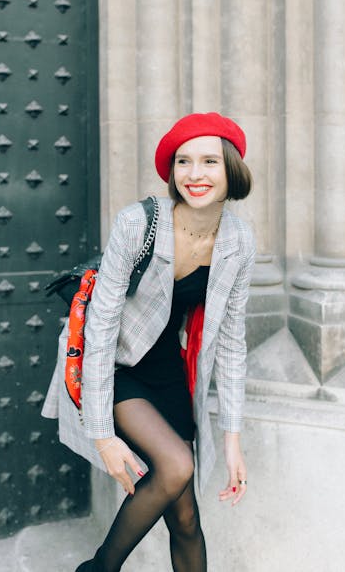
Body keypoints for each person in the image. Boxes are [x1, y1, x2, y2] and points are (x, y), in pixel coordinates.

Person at [42, 111, 256, 572]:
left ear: (232, 169)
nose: (194, 175)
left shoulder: (239, 240)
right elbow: (99, 331)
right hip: (114, 365)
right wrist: (102, 437)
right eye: (183, 162)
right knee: (177, 466)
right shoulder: (138, 225)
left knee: (185, 518)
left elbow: (233, 342)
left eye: (209, 162)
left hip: (166, 372)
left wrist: (233, 440)